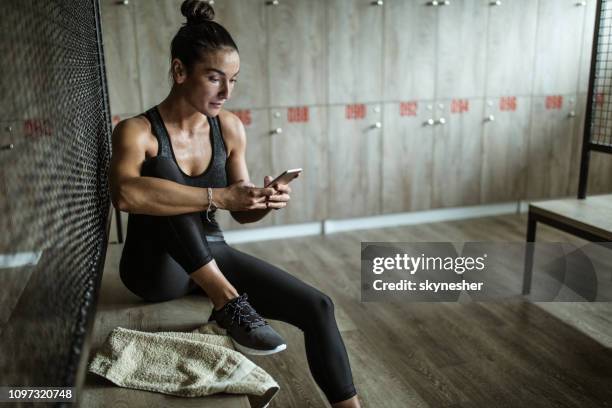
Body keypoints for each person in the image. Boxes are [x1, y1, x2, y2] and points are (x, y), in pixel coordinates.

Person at [108, 1, 360, 406]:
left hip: (210, 253)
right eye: (214, 78)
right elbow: (125, 195)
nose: (226, 92)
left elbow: (239, 211)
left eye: (234, 81)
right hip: (154, 270)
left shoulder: (227, 127)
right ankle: (227, 302)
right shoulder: (138, 132)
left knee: (318, 306)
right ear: (179, 71)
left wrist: (262, 200)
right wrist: (217, 196)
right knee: (159, 175)